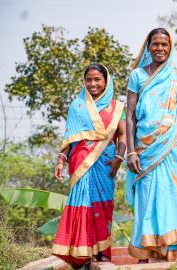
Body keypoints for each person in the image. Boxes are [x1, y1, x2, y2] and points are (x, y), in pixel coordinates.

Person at [125, 28, 177, 262]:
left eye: (164, 44)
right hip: (146, 149)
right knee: (147, 197)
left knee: (176, 196)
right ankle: (146, 251)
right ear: (148, 47)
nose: (160, 48)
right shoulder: (137, 75)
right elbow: (129, 116)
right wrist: (131, 151)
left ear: (170, 47)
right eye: (155, 44)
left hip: (175, 146)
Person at [52, 63, 126, 269]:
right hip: (80, 161)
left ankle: (102, 253)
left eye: (97, 79)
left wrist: (120, 158)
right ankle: (81, 253)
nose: (92, 84)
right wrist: (60, 160)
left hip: (105, 163)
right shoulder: (77, 106)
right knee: (82, 205)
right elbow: (69, 137)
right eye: (89, 80)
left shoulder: (116, 107)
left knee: (103, 206)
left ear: (106, 81)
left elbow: (123, 136)